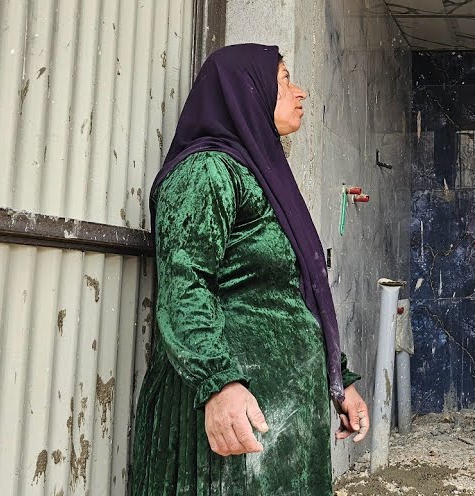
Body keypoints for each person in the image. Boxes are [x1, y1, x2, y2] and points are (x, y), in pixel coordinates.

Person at [131, 44, 368, 495]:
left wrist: (338, 379)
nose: (300, 92)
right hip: (234, 410)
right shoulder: (206, 172)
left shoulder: (262, 175)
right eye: (284, 80)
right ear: (248, 90)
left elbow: (289, 295)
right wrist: (218, 384)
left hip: (278, 414)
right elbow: (185, 287)